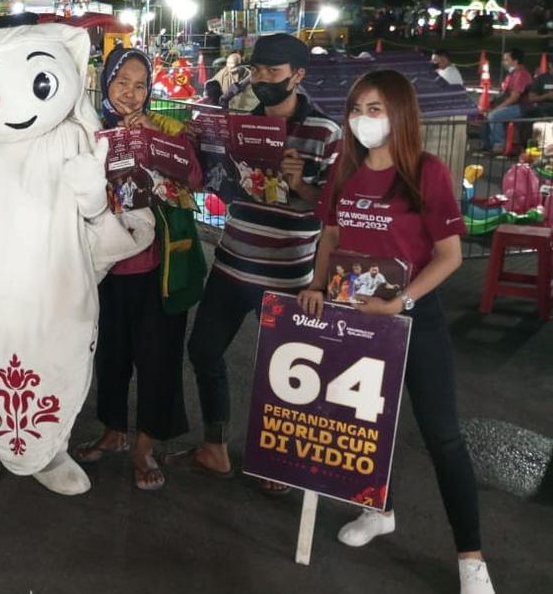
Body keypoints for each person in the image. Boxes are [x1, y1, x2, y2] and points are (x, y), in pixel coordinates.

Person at [297, 69, 494, 594]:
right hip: (356, 319)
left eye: (376, 109)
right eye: (357, 108)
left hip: (412, 317)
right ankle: (377, 510)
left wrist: (402, 302)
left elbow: (450, 256)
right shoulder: (345, 167)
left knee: (442, 435)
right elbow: (331, 233)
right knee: (365, 429)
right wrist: (317, 284)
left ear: (401, 115)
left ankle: (470, 556)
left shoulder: (426, 173)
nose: (363, 118)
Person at [176, 33, 341, 494]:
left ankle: (280, 462)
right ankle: (215, 445)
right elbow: (217, 190)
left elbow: (333, 210)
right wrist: (200, 151)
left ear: (298, 75)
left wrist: (300, 183)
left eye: (274, 72)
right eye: (258, 71)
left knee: (288, 373)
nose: (264, 80)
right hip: (231, 262)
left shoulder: (326, 133)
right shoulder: (239, 125)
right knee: (204, 349)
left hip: (290, 274)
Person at [75, 46, 204, 491]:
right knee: (110, 355)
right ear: (106, 83)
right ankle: (113, 431)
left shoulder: (167, 127)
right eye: (121, 82)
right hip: (104, 268)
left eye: (140, 85)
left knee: (158, 357)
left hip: (160, 267)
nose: (131, 93)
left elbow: (195, 178)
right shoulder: (87, 130)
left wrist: (155, 137)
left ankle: (145, 444)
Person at [485, 48, 532, 154]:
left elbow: (514, 97)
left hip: (522, 107)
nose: (503, 62)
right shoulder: (512, 74)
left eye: (506, 60)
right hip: (514, 105)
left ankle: (499, 145)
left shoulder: (521, 74)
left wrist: (498, 108)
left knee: (494, 116)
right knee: (487, 113)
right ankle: (488, 145)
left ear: (515, 61)